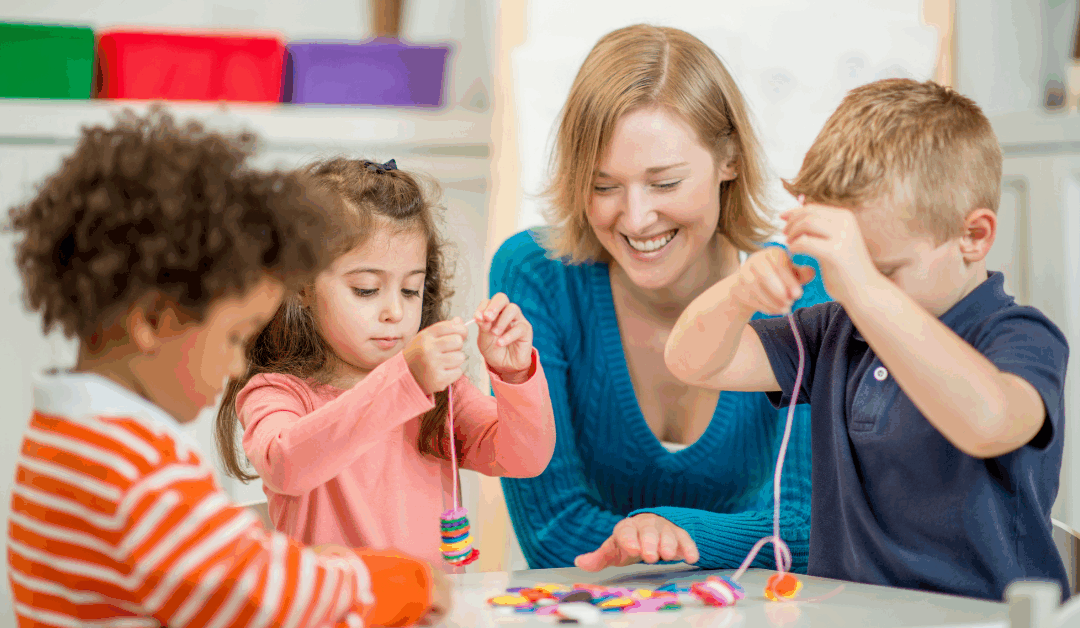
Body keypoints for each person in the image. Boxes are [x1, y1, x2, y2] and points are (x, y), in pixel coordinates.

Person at [6, 110, 445, 627]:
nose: (239, 361)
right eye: (234, 337)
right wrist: (399, 581)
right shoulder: (136, 473)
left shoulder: (61, 439)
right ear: (154, 322)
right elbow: (260, 594)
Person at [665, 78, 1069, 601]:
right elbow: (691, 362)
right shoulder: (838, 328)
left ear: (974, 237)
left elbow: (988, 422)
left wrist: (865, 287)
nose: (851, 289)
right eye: (844, 270)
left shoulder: (1021, 336)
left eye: (881, 270)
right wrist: (740, 291)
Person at [490, 24, 830, 572]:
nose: (636, 216)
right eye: (603, 186)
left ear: (730, 161)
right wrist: (702, 543)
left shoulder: (802, 288)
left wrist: (671, 536)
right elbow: (552, 530)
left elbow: (813, 528)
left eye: (665, 183)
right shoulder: (535, 275)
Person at [215, 158, 556, 572]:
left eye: (411, 289)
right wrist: (403, 382)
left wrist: (515, 374)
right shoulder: (278, 392)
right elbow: (285, 465)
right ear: (302, 287)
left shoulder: (440, 391)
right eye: (366, 290)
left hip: (434, 612)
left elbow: (526, 459)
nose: (394, 310)